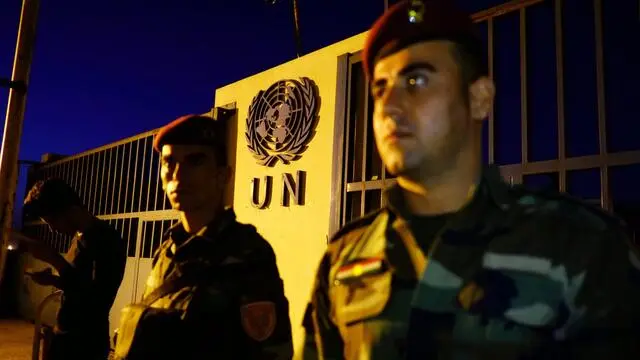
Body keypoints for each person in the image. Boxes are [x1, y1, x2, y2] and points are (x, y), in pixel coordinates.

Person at [298, 1, 640, 359]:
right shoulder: (342, 260)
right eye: (380, 89)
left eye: (416, 81)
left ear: (479, 99)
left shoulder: (581, 245)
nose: (388, 106)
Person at [113, 114, 294, 360]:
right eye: (169, 162)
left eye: (194, 161)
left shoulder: (247, 253)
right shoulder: (166, 251)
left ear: (222, 176)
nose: (177, 173)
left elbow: (272, 352)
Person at [18, 178, 126, 360]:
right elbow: (79, 284)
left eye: (52, 221)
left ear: (70, 209)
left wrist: (55, 259)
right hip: (66, 336)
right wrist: (52, 280)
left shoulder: (107, 238)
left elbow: (98, 298)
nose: (52, 229)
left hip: (85, 343)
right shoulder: (79, 237)